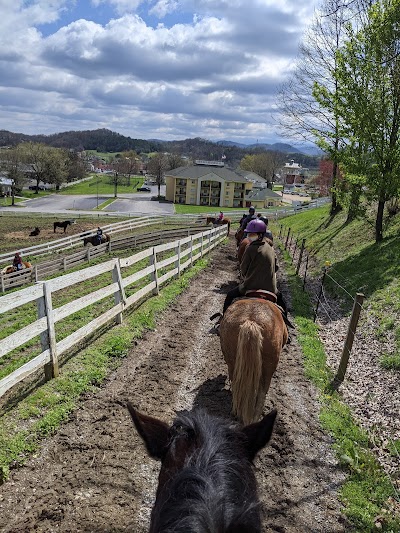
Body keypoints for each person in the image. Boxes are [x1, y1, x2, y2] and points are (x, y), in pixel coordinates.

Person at [222, 219, 278, 314]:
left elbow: (243, 269)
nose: (249, 237)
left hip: (250, 287)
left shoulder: (250, 248)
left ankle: (222, 318)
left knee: (230, 295)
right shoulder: (271, 248)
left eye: (251, 234)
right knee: (282, 302)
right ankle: (286, 325)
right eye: (249, 234)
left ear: (260, 235)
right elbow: (276, 267)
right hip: (271, 289)